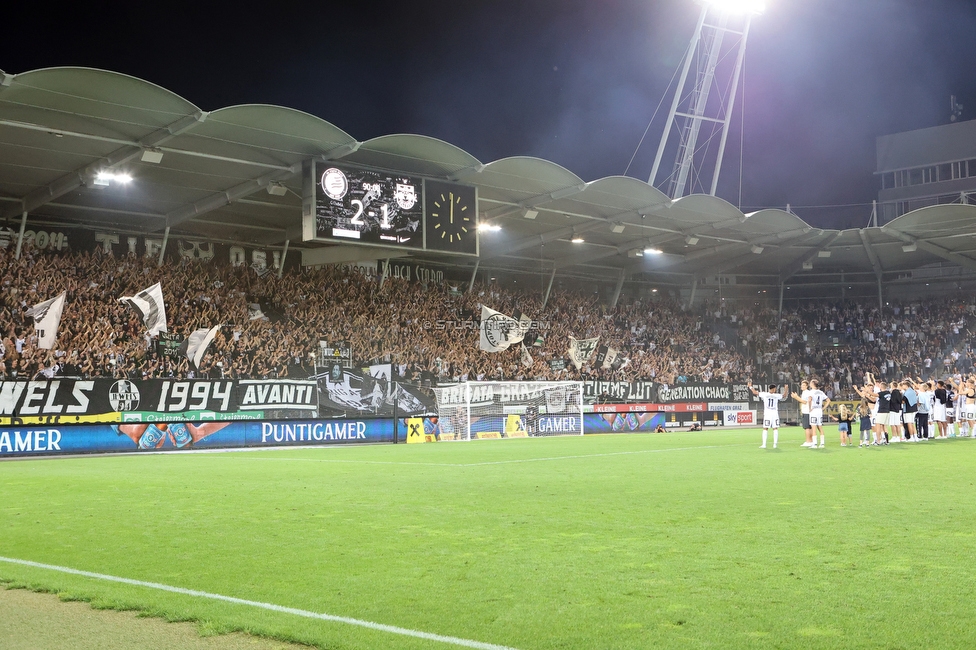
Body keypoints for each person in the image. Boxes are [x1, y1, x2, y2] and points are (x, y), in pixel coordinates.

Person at [749, 381, 788, 449]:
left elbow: (754, 392)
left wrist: (750, 386)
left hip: (767, 413)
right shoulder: (777, 395)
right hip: (774, 413)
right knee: (775, 428)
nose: (775, 390)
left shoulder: (764, 394)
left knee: (765, 428)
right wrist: (786, 389)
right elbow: (784, 395)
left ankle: (764, 444)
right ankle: (775, 444)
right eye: (775, 389)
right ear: (773, 389)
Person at [807, 379, 830, 448]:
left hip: (814, 410)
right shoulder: (821, 392)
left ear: (813, 384)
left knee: (813, 427)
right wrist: (823, 408)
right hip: (819, 410)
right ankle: (822, 443)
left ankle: (814, 444)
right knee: (820, 427)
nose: (810, 384)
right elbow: (828, 400)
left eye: (811, 383)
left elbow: (809, 400)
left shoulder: (811, 392)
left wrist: (809, 408)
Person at [791, 380, 814, 447]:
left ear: (807, 386)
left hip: (806, 411)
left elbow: (804, 402)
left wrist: (796, 397)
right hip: (809, 411)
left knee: (807, 427)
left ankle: (808, 441)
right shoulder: (807, 392)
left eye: (804, 385)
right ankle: (811, 441)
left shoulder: (806, 392)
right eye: (802, 385)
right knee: (810, 427)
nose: (802, 386)